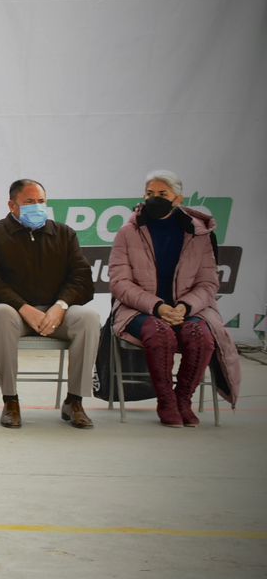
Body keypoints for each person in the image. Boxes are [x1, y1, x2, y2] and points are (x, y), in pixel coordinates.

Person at [108, 171, 242, 426]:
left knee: (200, 338)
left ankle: (183, 399)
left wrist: (184, 306)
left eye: (162, 194)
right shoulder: (128, 232)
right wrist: (157, 306)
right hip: (140, 310)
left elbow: (208, 283)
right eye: (149, 194)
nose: (154, 199)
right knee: (160, 334)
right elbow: (120, 283)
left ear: (178, 199)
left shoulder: (199, 234)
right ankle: (166, 401)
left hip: (190, 309)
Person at [0, 178, 98, 429]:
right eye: (29, 202)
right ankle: (11, 400)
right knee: (1, 314)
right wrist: (23, 307)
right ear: (12, 205)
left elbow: (81, 278)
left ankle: (74, 401)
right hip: (16, 314)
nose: (37, 207)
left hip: (56, 314)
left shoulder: (63, 234)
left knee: (89, 318)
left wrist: (60, 306)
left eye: (41, 202)